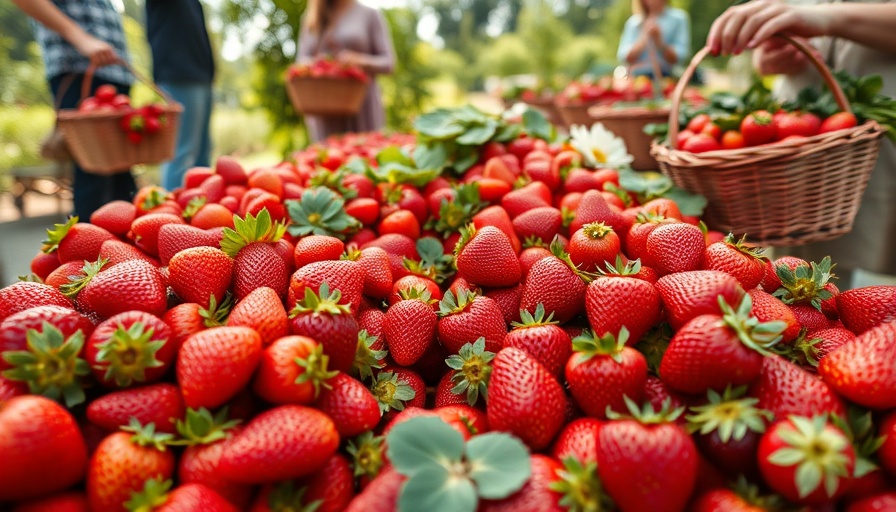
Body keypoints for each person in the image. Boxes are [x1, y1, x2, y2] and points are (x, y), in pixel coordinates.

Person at [708, 0, 896, 289]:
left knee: (878, 282)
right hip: (800, 149)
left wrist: (826, 18)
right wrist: (769, 56)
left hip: (879, 122)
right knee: (805, 287)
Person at [11, 0, 137, 220]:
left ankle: (128, 249)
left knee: (121, 176)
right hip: (77, 65)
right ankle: (87, 250)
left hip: (116, 71)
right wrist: (81, 38)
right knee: (92, 172)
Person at [297, 0, 396, 143]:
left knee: (365, 153)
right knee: (328, 157)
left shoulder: (369, 15)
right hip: (323, 111)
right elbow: (300, 60)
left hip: (362, 108)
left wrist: (360, 60)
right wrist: (319, 64)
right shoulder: (311, 17)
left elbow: (389, 63)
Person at [145, 0, 215, 192]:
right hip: (177, 74)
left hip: (201, 76)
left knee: (202, 155)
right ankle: (174, 216)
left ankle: (202, 214)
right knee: (181, 153)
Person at [617, 0, 691, 78]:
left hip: (667, 76)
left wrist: (659, 42)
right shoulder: (634, 22)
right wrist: (644, 38)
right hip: (637, 77)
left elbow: (680, 56)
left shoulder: (678, 19)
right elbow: (624, 58)